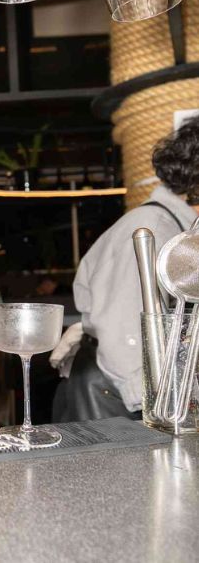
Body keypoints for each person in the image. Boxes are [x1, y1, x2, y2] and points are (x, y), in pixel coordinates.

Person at [52, 117, 199, 421]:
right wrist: (165, 411)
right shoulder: (154, 229)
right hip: (114, 398)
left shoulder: (174, 229)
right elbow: (123, 333)